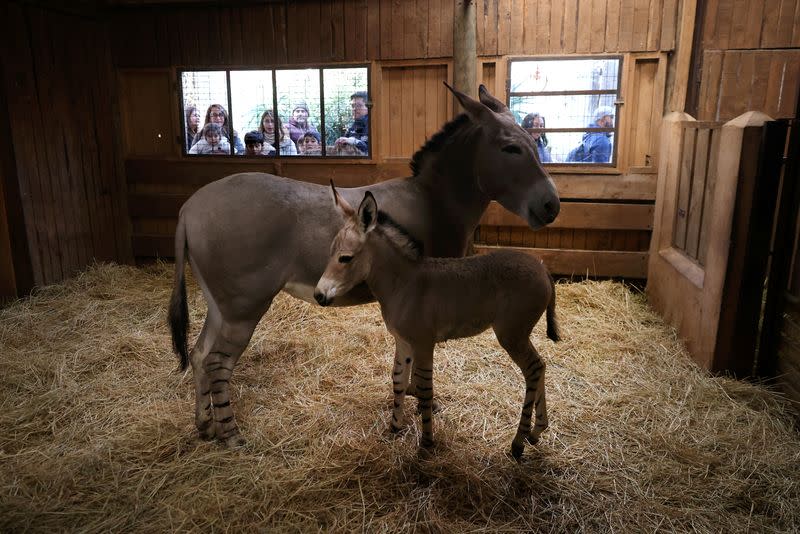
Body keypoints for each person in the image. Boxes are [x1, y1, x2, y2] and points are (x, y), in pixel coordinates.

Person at [334, 91, 369, 156]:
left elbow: (371, 151)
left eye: (359, 106)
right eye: (353, 106)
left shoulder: (373, 124)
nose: (354, 109)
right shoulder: (354, 125)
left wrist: (354, 141)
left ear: (368, 107)